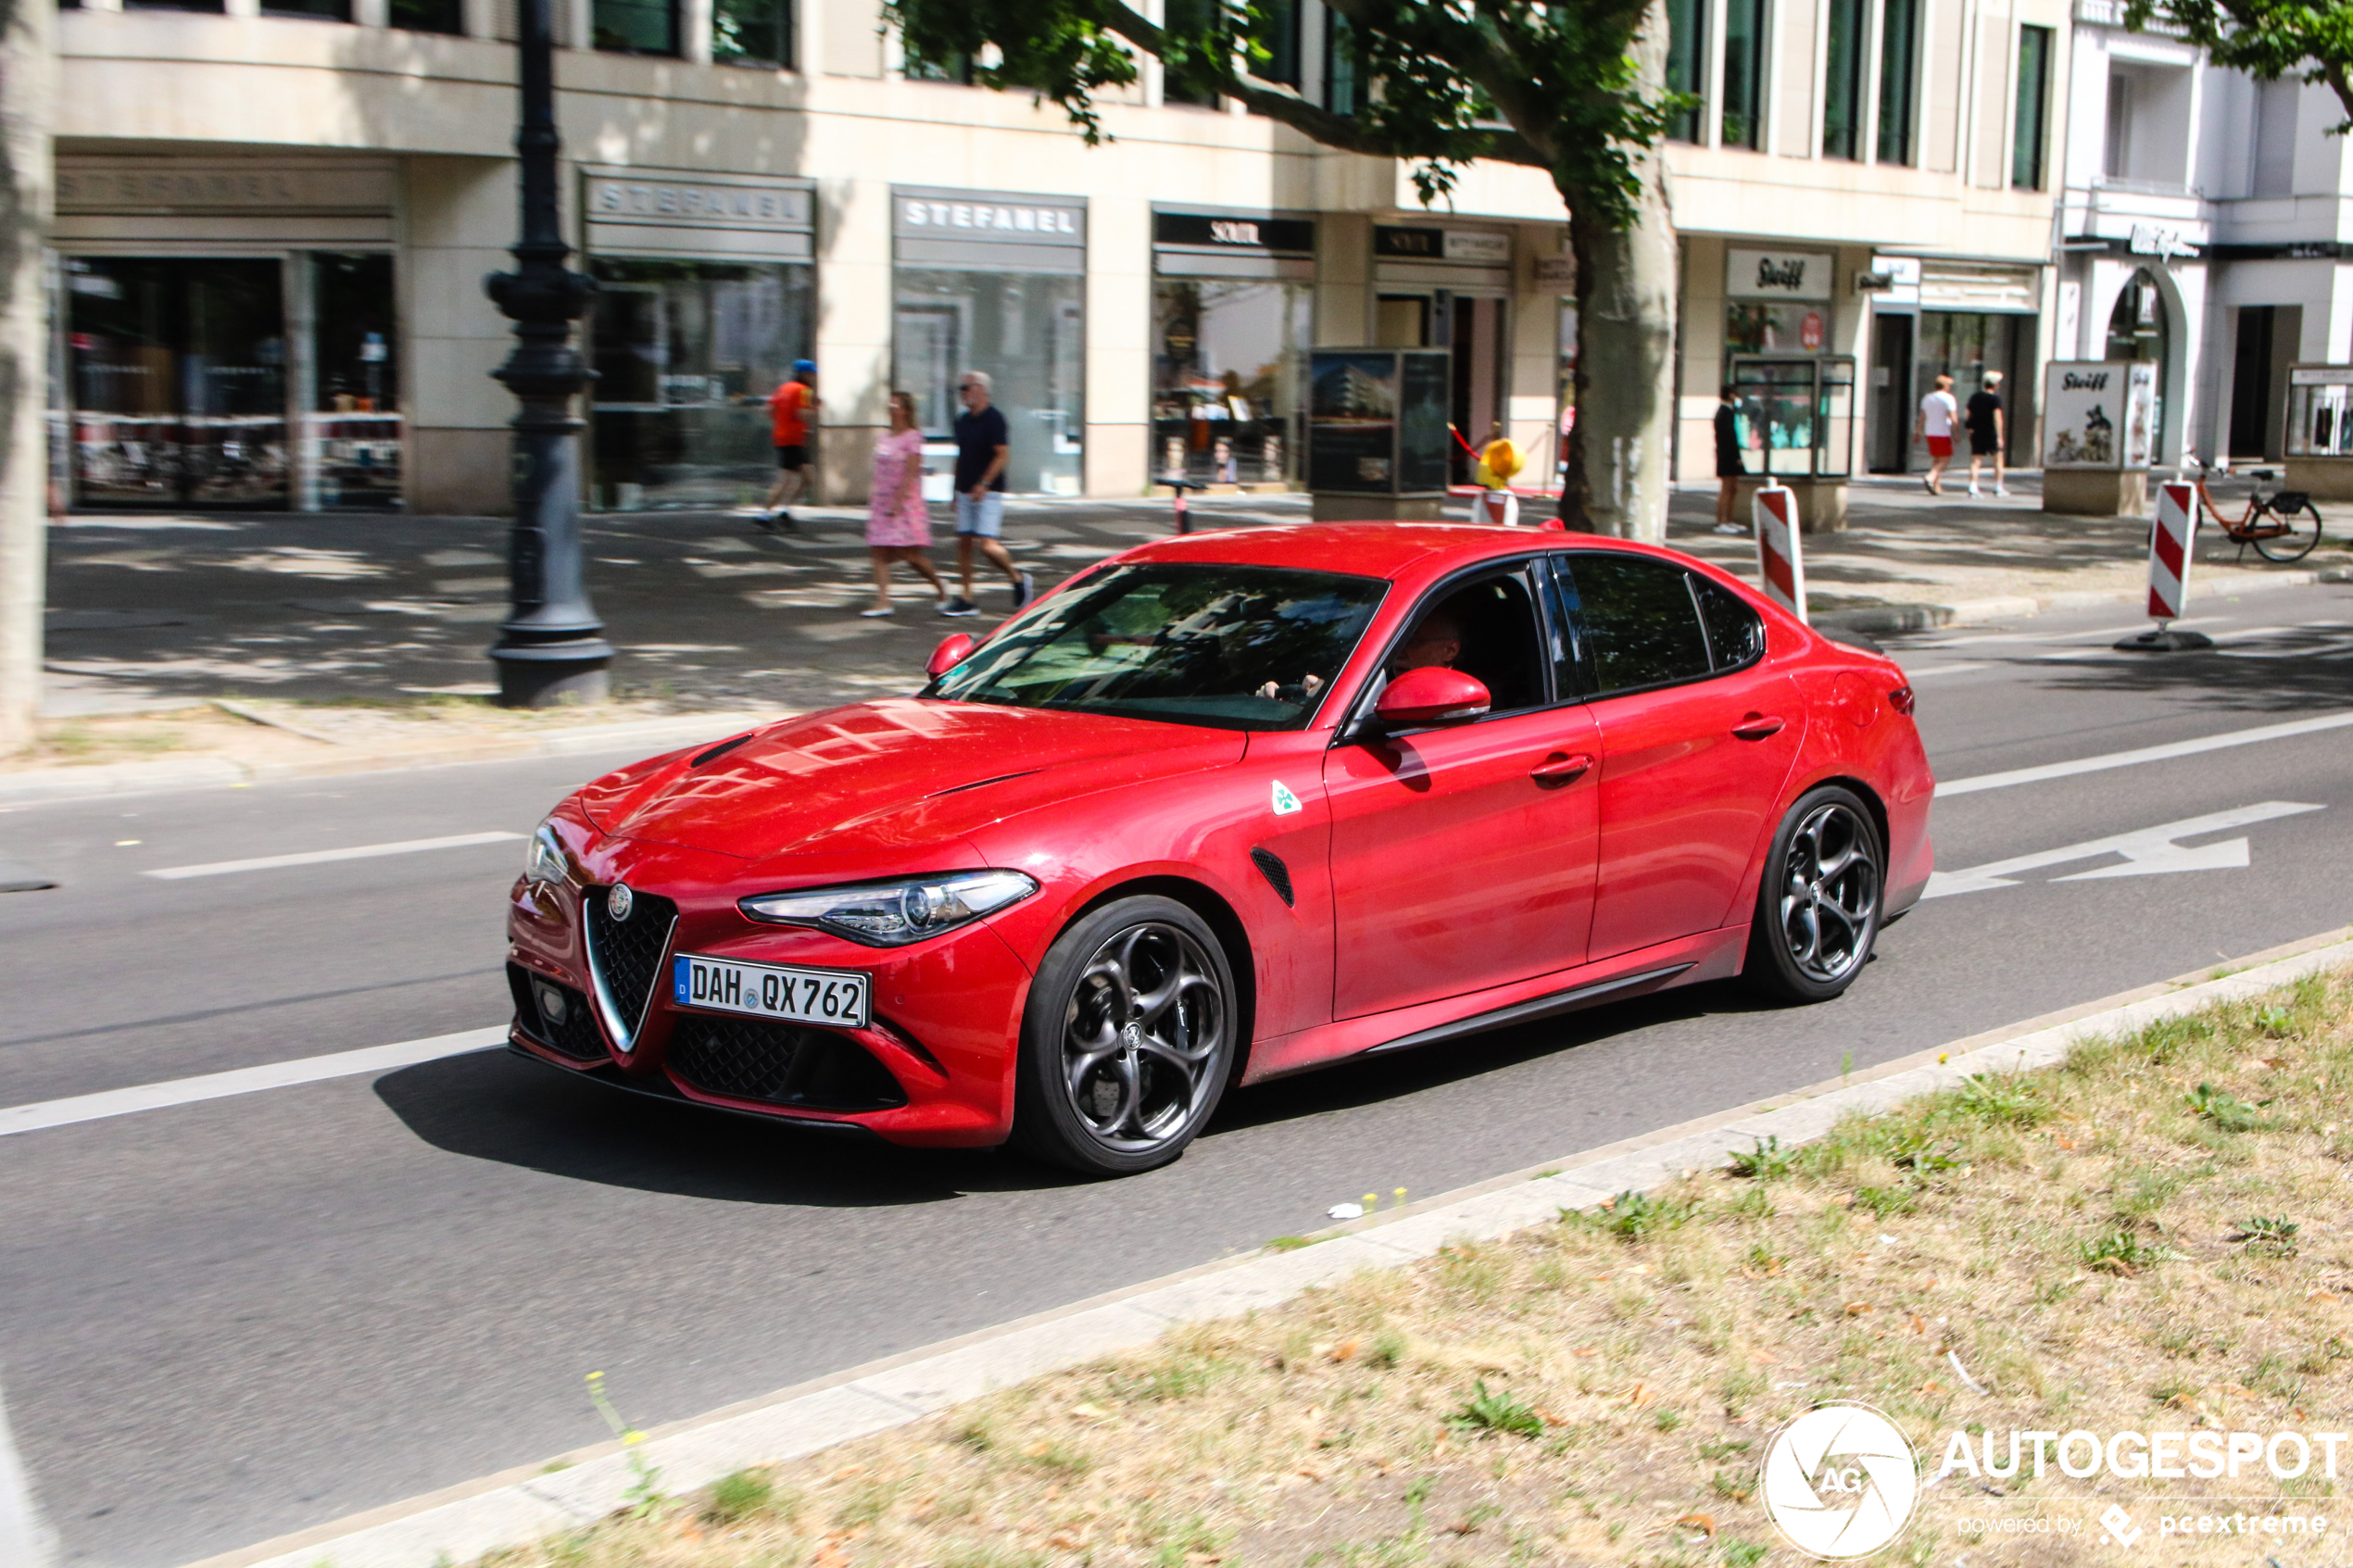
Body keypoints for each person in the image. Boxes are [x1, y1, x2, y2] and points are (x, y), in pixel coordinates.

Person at [942, 370, 1032, 618]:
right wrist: (954, 490)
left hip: (989, 491)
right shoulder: (961, 421)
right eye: (961, 389)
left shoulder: (995, 419)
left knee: (988, 545)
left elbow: (1002, 454)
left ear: (981, 389)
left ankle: (1017, 577)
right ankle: (967, 596)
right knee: (963, 542)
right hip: (965, 490)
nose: (963, 393)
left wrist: (984, 483)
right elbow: (960, 456)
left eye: (966, 388)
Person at [861, 391, 950, 618]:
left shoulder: (913, 438)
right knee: (878, 550)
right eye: (890, 404)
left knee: (909, 554)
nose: (891, 409)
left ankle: (940, 586)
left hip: (905, 503)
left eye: (896, 405)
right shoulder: (884, 437)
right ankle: (883, 601)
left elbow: (912, 473)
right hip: (882, 501)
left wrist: (899, 501)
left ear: (906, 411)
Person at [761, 359, 818, 531]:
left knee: (808, 477)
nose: (814, 376)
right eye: (811, 373)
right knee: (786, 480)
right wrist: (816, 408)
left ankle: (784, 512)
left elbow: (767, 409)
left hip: (785, 438)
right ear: (804, 374)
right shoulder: (804, 390)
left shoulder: (784, 388)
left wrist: (780, 422)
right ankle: (765, 516)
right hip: (793, 440)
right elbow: (802, 414)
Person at [1914, 373, 1960, 495]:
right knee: (1946, 459)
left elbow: (1922, 417)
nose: (1950, 387)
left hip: (1930, 431)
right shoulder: (1948, 398)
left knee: (1936, 458)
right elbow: (1953, 417)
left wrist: (1917, 431)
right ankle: (1930, 476)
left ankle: (1936, 485)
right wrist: (1957, 432)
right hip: (1942, 432)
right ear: (1944, 385)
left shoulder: (1928, 398)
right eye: (1949, 385)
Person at [1966, 371, 2007, 497]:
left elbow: (1969, 414)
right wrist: (2000, 436)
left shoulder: (1975, 397)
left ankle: (1973, 487)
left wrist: (1970, 429)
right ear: (1995, 384)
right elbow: (1998, 418)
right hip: (1991, 432)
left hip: (1977, 431)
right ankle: (1999, 487)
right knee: (1998, 460)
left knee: (1976, 461)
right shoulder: (1994, 399)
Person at [1715, 385, 1746, 527]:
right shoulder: (1724, 412)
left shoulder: (1728, 412)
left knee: (1733, 489)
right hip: (1727, 456)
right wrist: (1736, 456)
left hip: (1729, 455)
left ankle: (1729, 519)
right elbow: (1728, 437)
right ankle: (1722, 521)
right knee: (1727, 489)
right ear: (1731, 395)